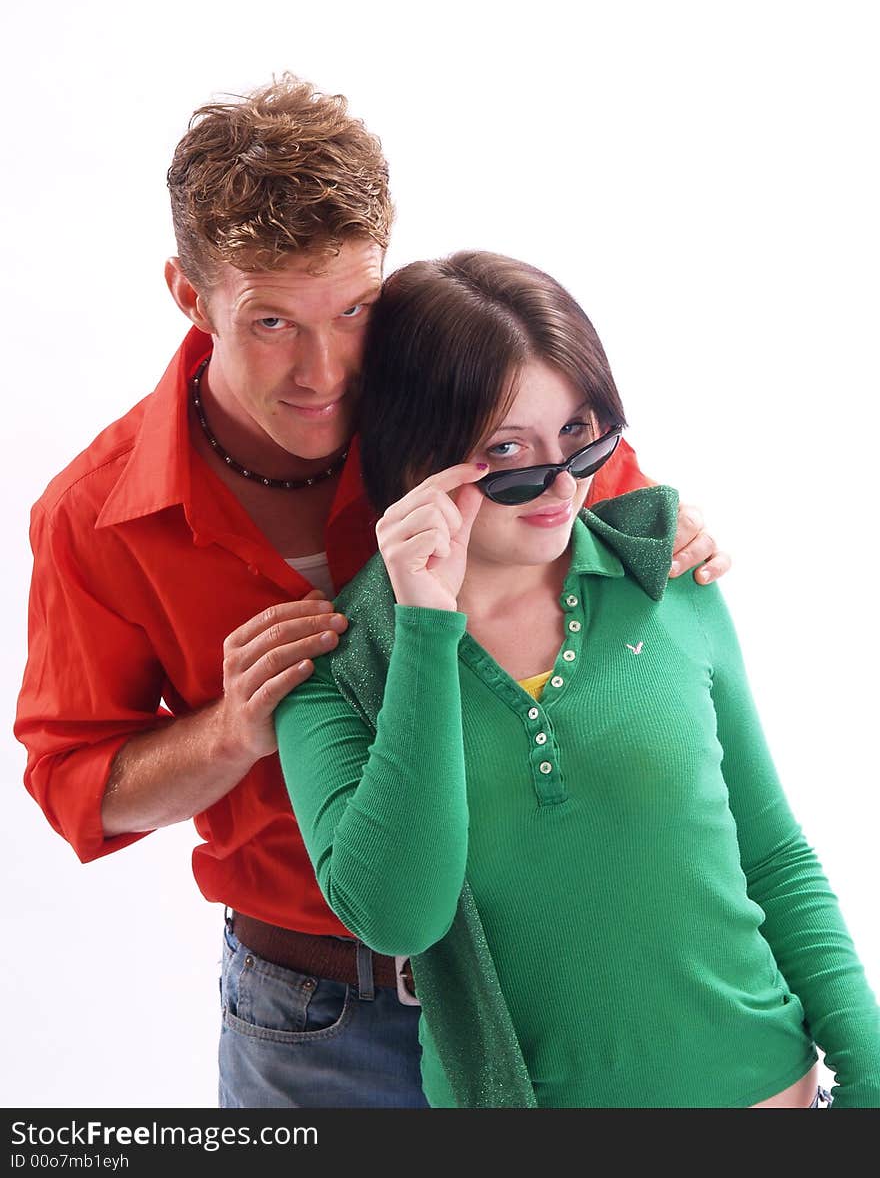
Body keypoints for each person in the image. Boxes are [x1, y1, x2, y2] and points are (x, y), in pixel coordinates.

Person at [15, 76, 730, 1110]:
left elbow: (623, 555)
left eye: (354, 308)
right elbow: (81, 785)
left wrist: (671, 541)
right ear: (188, 295)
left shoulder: (473, 397)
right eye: (271, 322)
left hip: (557, 974)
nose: (326, 368)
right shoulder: (92, 516)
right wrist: (229, 733)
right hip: (316, 1020)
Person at [275, 250, 880, 1108]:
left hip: (767, 1091)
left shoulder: (669, 579)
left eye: (582, 433)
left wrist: (872, 1075)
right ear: (419, 458)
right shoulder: (336, 673)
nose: (562, 483)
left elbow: (773, 852)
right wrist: (425, 629)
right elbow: (398, 915)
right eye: (509, 451)